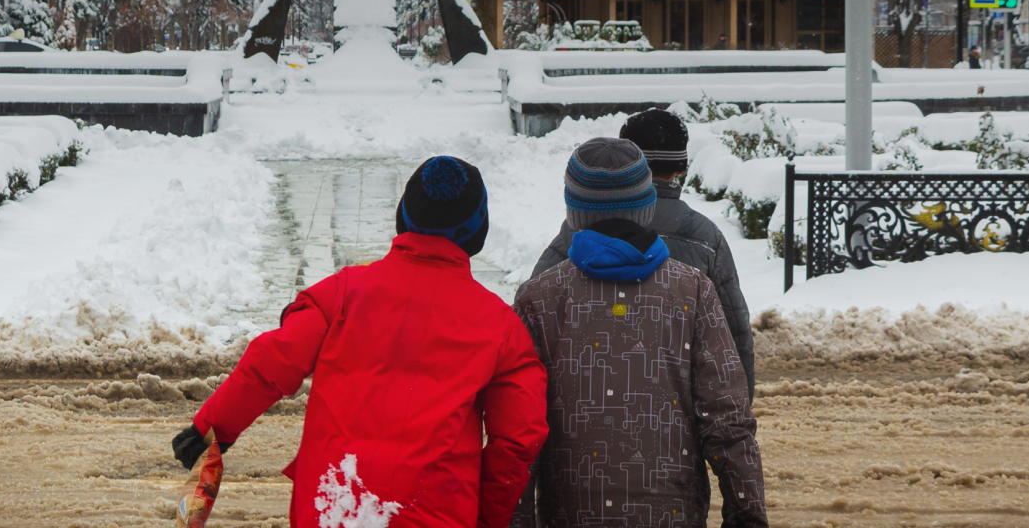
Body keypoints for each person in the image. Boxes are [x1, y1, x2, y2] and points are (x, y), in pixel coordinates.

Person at [174, 155, 546, 528]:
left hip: (334, 501)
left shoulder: (343, 294)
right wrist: (485, 516)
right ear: (478, 231)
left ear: (403, 216)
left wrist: (211, 429)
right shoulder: (501, 327)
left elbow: (273, 361)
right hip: (435, 513)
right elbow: (518, 438)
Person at [514, 138, 767, 527]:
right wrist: (747, 515)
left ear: (574, 213)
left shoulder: (540, 298)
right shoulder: (692, 291)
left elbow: (518, 431)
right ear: (646, 207)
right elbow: (728, 420)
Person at [527, 108, 753, 384]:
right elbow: (733, 331)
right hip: (678, 407)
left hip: (583, 397)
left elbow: (531, 319)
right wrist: (739, 401)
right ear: (681, 167)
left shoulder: (578, 231)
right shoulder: (705, 236)